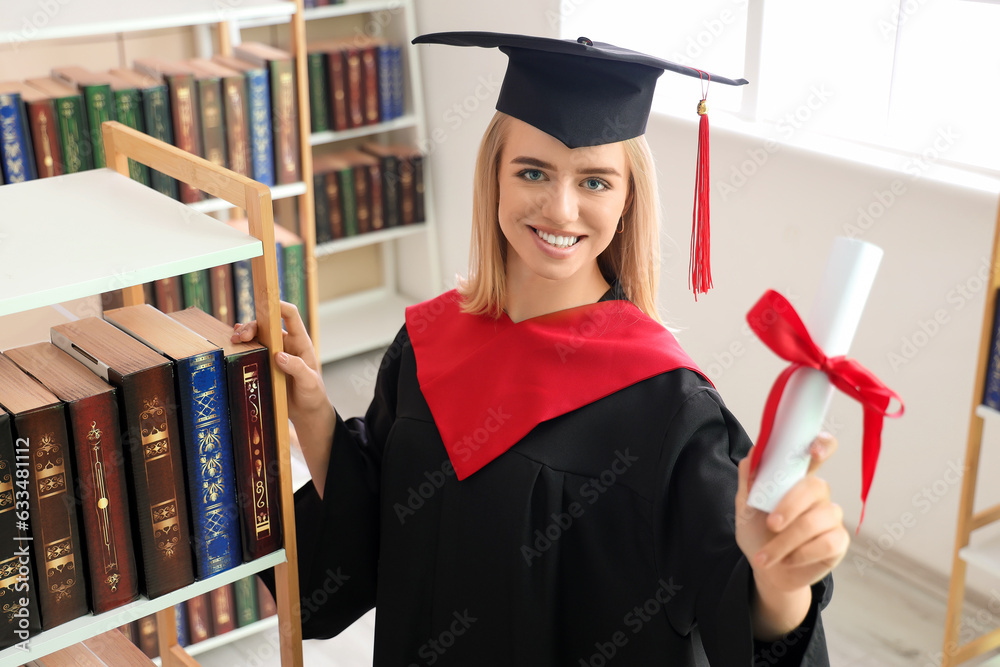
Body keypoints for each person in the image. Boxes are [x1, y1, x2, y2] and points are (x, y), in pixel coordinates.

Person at [242, 32, 848, 665]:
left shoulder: (668, 407)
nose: (561, 210)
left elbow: (735, 591)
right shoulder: (427, 347)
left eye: (595, 182)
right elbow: (370, 533)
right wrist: (310, 407)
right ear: (494, 179)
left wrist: (781, 587)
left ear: (626, 201)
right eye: (532, 172)